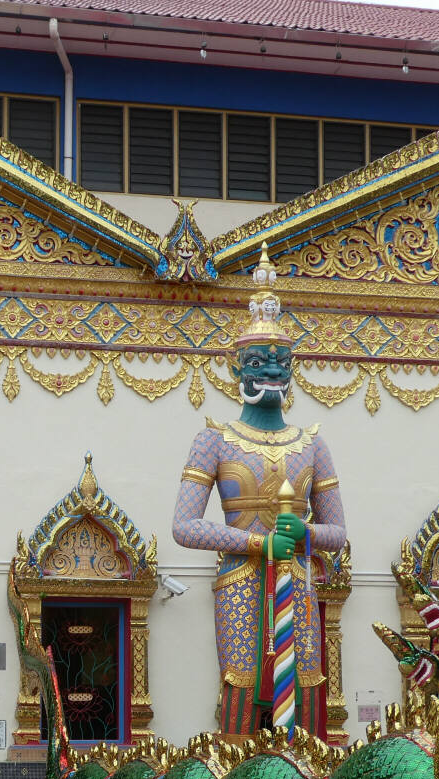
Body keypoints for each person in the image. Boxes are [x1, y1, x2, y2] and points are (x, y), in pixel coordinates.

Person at [171, 246, 347, 737]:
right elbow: (184, 527)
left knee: (307, 678)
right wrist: (256, 543)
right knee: (243, 680)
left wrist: (305, 531)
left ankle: (306, 774)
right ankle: (232, 775)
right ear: (237, 370)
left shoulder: (312, 443)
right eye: (258, 360)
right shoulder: (215, 438)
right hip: (241, 580)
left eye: (279, 360)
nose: (270, 369)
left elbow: (339, 532)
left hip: (298, 578)